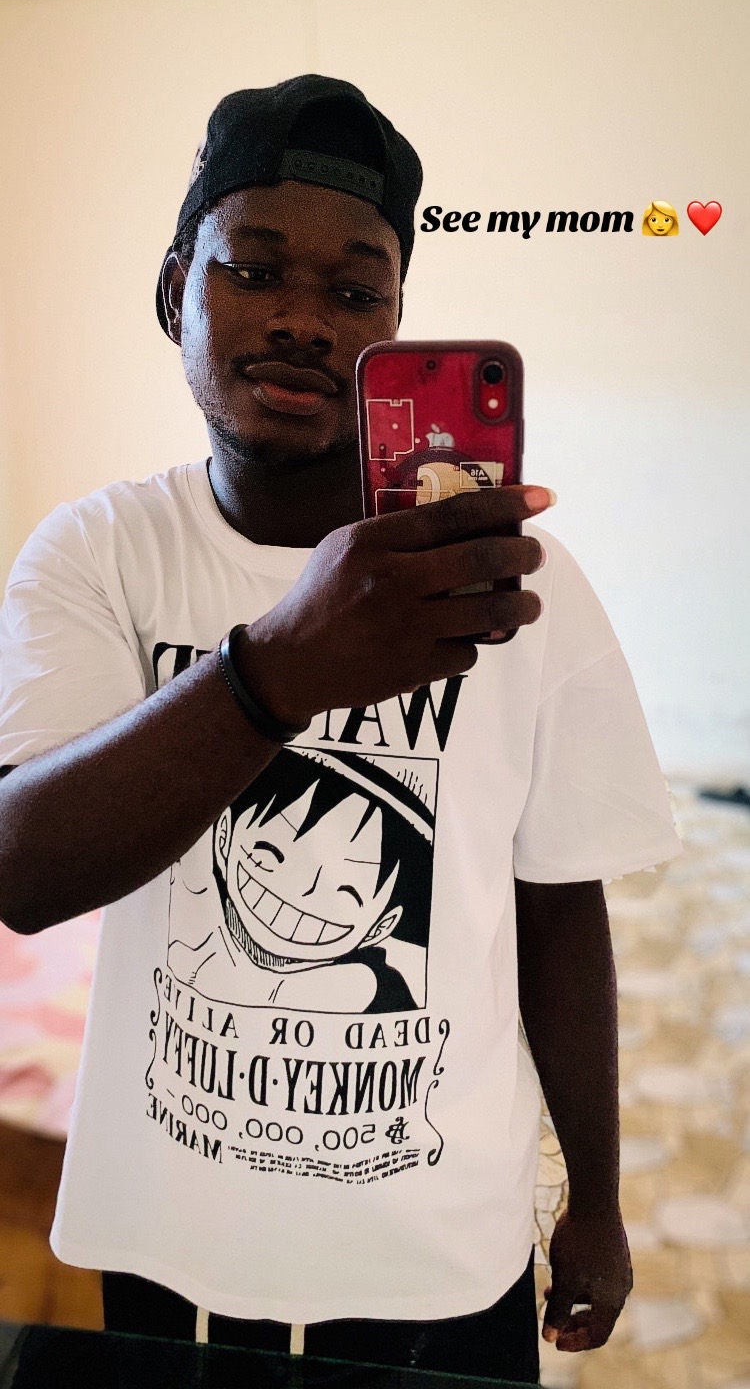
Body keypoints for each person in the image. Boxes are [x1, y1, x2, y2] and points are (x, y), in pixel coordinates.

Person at [0, 75, 682, 1384]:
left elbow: (556, 906)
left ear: (391, 334)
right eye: (253, 271)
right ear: (175, 293)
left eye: (355, 291)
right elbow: (23, 869)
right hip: (168, 1227)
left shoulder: (516, 585)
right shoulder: (97, 554)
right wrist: (279, 671)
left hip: (440, 1239)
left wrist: (594, 1199)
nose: (302, 320)